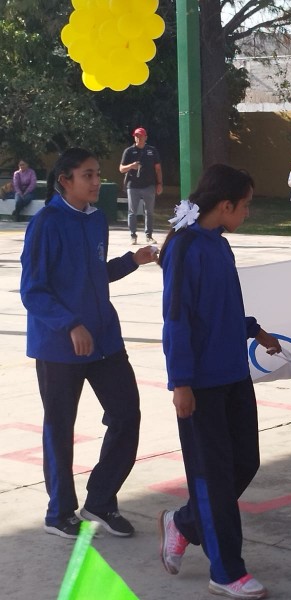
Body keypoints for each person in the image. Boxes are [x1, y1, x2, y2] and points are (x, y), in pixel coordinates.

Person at [157, 164, 280, 600]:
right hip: (200, 383)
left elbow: (223, 306)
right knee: (212, 478)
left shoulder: (219, 246)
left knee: (245, 463)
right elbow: (177, 319)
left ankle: (184, 522)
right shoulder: (184, 248)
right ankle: (227, 571)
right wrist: (181, 383)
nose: (247, 212)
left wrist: (255, 329)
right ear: (225, 205)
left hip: (233, 375)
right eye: (245, 206)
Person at [20, 148, 156, 539]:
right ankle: (59, 512)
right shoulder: (46, 223)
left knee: (127, 414)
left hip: (105, 340)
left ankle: (100, 499)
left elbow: (97, 274)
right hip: (59, 346)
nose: (97, 182)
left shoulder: (97, 221)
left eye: (97, 174)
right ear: (65, 179)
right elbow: (34, 290)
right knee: (60, 428)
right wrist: (70, 325)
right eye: (88, 175)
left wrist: (134, 259)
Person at [119, 127, 162, 245]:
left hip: (149, 186)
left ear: (145, 137)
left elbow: (158, 169)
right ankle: (133, 235)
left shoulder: (152, 151)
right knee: (132, 211)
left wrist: (159, 184)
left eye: (141, 136)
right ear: (134, 137)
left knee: (149, 211)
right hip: (133, 186)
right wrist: (131, 166)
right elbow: (121, 169)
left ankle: (149, 235)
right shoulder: (129, 151)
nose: (139, 138)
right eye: (136, 136)